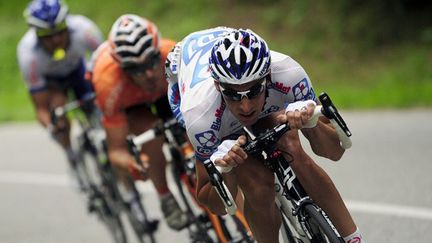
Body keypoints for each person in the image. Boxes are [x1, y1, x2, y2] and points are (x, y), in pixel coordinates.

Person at [166, 27, 364, 242]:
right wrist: (226, 168)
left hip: (254, 95)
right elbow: (216, 205)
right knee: (258, 186)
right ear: (217, 85)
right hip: (194, 94)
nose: (245, 106)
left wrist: (311, 123)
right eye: (232, 94)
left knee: (292, 149)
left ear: (268, 77)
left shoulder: (288, 73)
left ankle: (353, 238)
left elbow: (335, 151)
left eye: (253, 91)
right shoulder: (199, 114)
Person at [90, 14, 188, 230]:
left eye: (152, 61)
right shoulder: (108, 83)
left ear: (157, 51)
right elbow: (116, 150)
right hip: (131, 105)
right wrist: (131, 163)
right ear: (122, 68)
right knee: (149, 131)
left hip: (166, 93)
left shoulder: (173, 54)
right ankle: (165, 198)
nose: (149, 73)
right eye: (136, 69)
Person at [17, 0, 103, 188]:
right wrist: (52, 126)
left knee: (101, 105)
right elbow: (40, 107)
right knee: (58, 114)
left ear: (67, 24)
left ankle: (103, 147)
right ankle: (71, 157)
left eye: (60, 31)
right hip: (53, 84)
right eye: (47, 36)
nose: (56, 40)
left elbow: (107, 66)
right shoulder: (28, 54)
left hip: (79, 71)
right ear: (37, 35)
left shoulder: (84, 29)